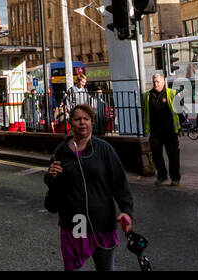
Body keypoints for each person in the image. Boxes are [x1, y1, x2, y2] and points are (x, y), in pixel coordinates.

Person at [43, 102, 134, 270]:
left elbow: (120, 183)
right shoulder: (61, 151)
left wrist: (126, 211)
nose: (82, 123)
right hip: (76, 224)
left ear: (92, 122)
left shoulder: (104, 150)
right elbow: (54, 189)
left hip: (102, 222)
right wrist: (50, 177)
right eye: (78, 119)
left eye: (86, 119)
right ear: (71, 123)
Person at [143, 72, 181, 185]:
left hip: (170, 131)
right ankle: (162, 176)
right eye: (154, 81)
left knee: (173, 155)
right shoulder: (147, 95)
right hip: (155, 132)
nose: (156, 83)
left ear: (163, 82)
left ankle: (175, 178)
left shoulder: (172, 93)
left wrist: (179, 127)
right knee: (156, 155)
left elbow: (180, 111)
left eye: (158, 81)